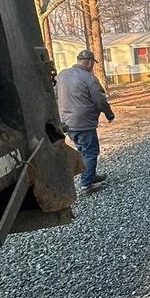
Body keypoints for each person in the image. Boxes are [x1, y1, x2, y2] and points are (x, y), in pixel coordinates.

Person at [55, 49, 114, 195]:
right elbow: (100, 99)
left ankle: (90, 175)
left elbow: (55, 94)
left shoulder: (62, 75)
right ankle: (87, 185)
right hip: (83, 122)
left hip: (67, 123)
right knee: (91, 151)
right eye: (92, 64)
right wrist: (109, 114)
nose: (92, 67)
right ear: (88, 62)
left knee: (82, 150)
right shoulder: (89, 78)